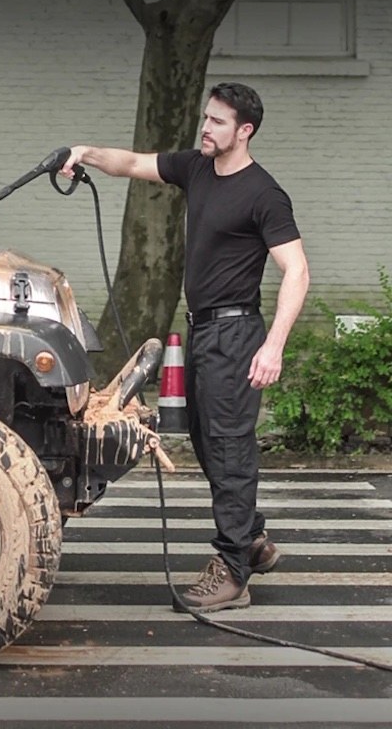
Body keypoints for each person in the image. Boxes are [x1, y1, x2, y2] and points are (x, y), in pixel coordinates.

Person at [60, 82, 310, 613]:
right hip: (203, 332)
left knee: (228, 447)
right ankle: (251, 538)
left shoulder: (264, 194)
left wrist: (274, 346)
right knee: (205, 439)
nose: (206, 128)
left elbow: (297, 271)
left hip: (237, 335)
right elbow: (133, 163)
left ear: (245, 131)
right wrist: (84, 153)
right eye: (206, 117)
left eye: (218, 122)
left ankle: (233, 571)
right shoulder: (197, 168)